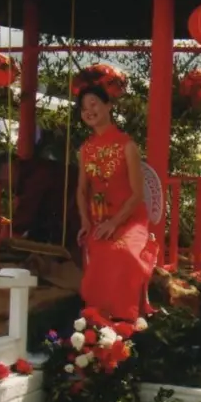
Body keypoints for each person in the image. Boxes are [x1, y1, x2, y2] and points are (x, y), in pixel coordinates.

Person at [75, 85, 157, 323]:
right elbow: (81, 191)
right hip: (99, 221)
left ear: (108, 106)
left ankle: (126, 317)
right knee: (101, 251)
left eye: (93, 104)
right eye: (83, 108)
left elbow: (137, 194)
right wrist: (85, 222)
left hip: (129, 219)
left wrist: (115, 222)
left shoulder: (127, 146)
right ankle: (99, 318)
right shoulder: (85, 150)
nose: (88, 111)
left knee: (123, 253)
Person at [0, 154, 81, 254]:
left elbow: (23, 218)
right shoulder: (30, 174)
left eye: (3, 178)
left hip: (79, 215)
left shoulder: (37, 175)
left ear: (13, 165)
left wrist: (4, 238)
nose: (5, 184)